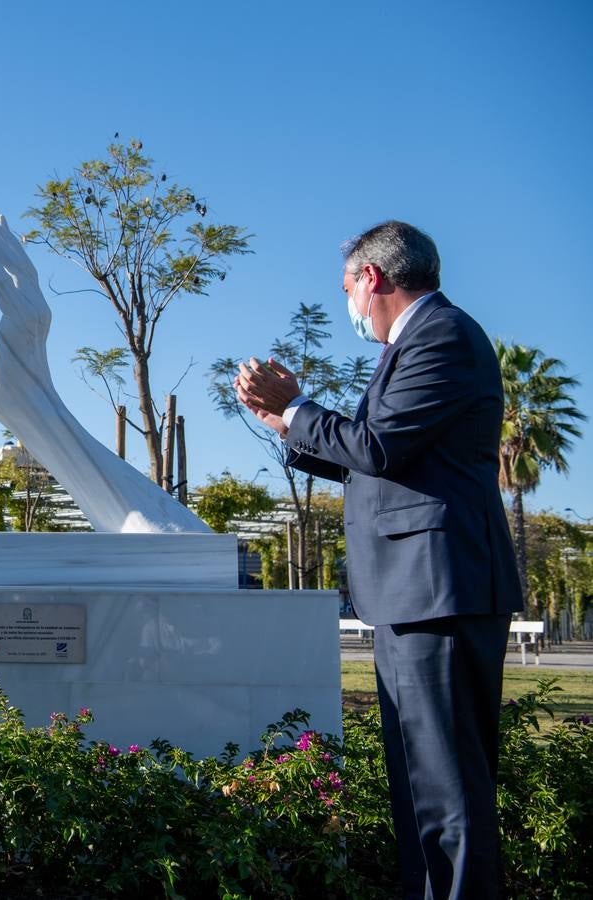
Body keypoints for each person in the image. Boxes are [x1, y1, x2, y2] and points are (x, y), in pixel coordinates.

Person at [236, 221, 522, 899]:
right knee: (421, 786)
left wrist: (298, 405)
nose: (349, 306)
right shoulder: (416, 345)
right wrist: (286, 424)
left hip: (439, 591)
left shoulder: (443, 336)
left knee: (445, 788)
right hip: (413, 593)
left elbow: (377, 446)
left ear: (371, 278)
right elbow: (381, 460)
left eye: (346, 288)